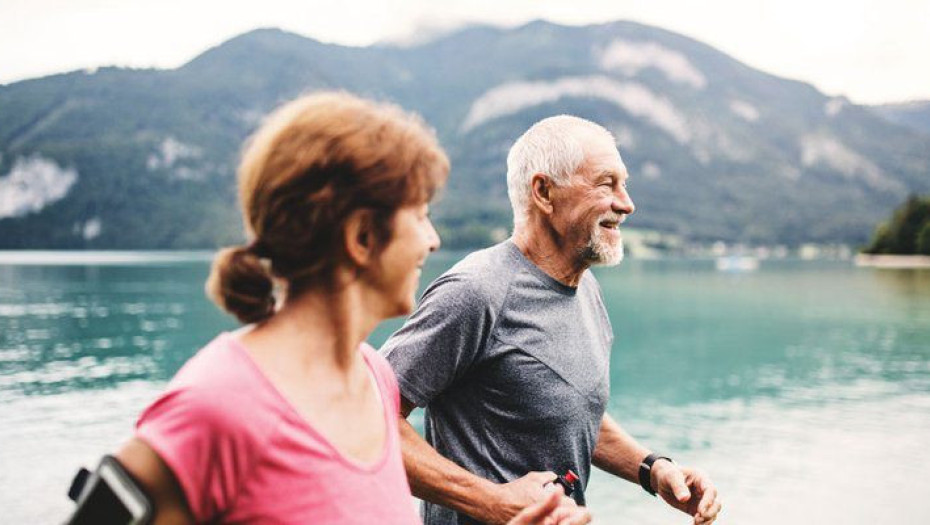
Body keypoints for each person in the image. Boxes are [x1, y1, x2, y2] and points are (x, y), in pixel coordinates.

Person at [109, 93, 589, 524]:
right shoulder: (215, 406)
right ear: (361, 237)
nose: (433, 239)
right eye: (420, 216)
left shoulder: (374, 377)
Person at [381, 115, 723, 525]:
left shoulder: (586, 288)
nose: (626, 203)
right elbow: (369, 418)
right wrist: (492, 502)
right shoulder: (476, 291)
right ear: (544, 192)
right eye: (606, 183)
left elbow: (567, 411)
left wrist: (653, 470)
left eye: (624, 184)